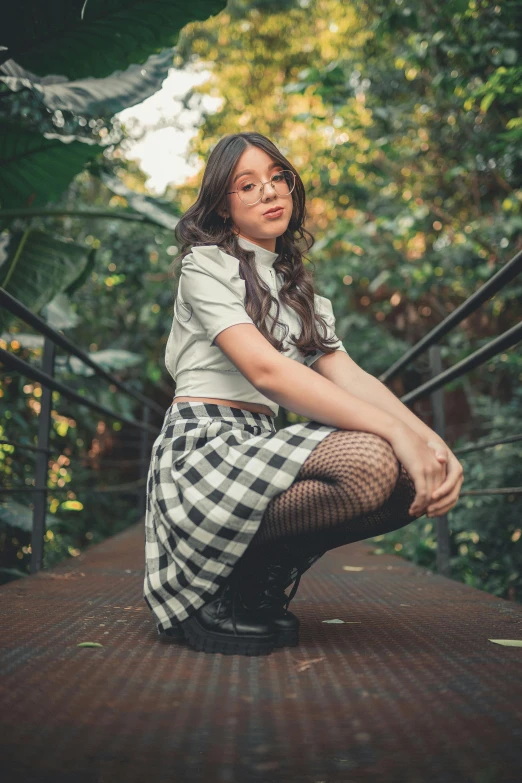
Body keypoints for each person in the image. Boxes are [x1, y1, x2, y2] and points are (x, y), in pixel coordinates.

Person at [143, 131, 464, 656]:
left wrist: (433, 444)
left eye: (278, 178)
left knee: (412, 472)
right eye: (247, 185)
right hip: (202, 451)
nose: (269, 193)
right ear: (223, 208)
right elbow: (266, 371)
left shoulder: (300, 293)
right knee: (371, 459)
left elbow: (352, 377)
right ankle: (217, 588)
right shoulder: (205, 266)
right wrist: (395, 433)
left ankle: (257, 575)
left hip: (256, 447)